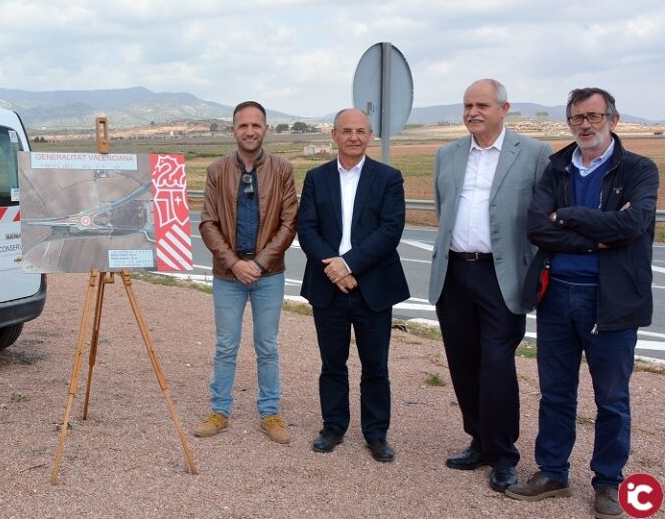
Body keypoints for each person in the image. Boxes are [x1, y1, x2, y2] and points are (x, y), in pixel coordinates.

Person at [506, 88, 659, 519]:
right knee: (555, 393)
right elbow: (538, 228)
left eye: (593, 116)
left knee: (611, 398)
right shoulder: (556, 167)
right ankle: (552, 473)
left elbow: (634, 223)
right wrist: (600, 236)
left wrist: (568, 215)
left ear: (614, 118)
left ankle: (608, 482)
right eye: (577, 118)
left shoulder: (638, 169)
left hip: (610, 300)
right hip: (556, 295)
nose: (585, 125)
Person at [427, 79, 551, 492]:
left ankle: (503, 455)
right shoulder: (447, 154)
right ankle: (478, 441)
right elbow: (444, 210)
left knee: (497, 363)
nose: (472, 112)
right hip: (455, 272)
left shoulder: (533, 154)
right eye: (467, 105)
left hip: (502, 276)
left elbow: (543, 216)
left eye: (481, 104)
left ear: (504, 108)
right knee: (463, 361)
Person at [297, 108, 409, 461]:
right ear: (334, 135)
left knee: (376, 365)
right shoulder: (316, 178)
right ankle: (333, 427)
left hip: (372, 285)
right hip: (327, 286)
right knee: (332, 363)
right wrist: (334, 268)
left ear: (370, 134)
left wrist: (348, 264)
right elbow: (307, 227)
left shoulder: (388, 178)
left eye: (360, 131)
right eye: (346, 131)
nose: (354, 137)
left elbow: (390, 230)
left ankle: (376, 434)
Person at [194, 100, 298, 444]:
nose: (250, 131)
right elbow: (207, 223)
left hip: (268, 275)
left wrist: (258, 264)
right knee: (226, 346)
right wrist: (235, 264)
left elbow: (288, 223)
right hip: (228, 276)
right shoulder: (216, 170)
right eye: (243, 125)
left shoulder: (282, 169)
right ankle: (219, 411)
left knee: (267, 346)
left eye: (256, 125)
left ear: (265, 129)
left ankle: (270, 414)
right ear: (233, 130)